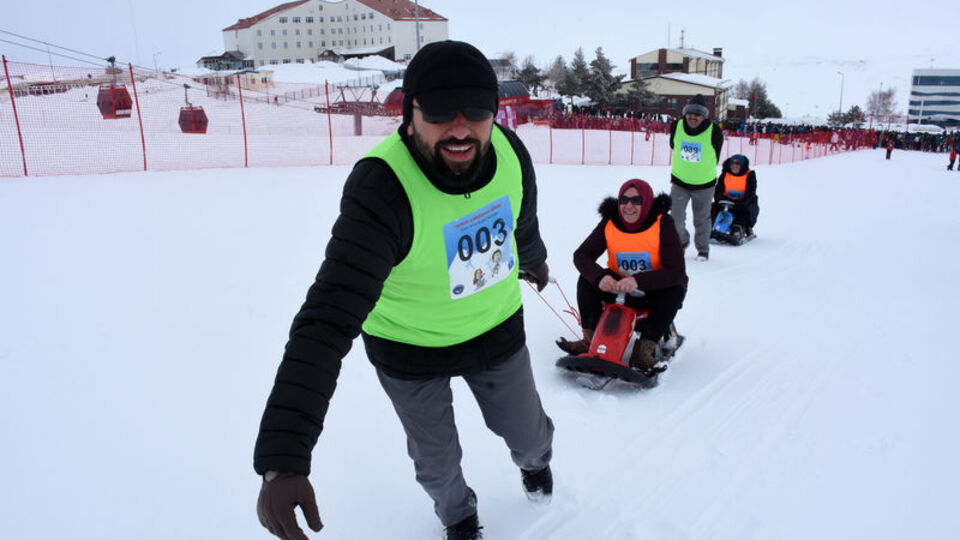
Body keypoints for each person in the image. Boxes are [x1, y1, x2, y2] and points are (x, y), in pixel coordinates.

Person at [253, 41, 555, 540]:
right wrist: (283, 458)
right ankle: (458, 517)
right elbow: (328, 318)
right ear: (409, 114)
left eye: (476, 111)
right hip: (410, 348)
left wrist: (534, 258)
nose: (461, 128)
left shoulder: (510, 151)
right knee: (436, 460)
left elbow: (521, 219)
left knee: (527, 431)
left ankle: (536, 463)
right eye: (439, 111)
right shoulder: (382, 189)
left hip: (494, 325)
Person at [556, 179, 687, 373]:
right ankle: (590, 339)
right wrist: (600, 277)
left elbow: (675, 270)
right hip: (617, 286)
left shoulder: (662, 223)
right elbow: (581, 255)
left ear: (646, 202)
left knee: (675, 287)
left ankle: (644, 349)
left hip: (651, 291)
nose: (629, 206)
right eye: (624, 200)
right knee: (587, 279)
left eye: (636, 200)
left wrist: (638, 281)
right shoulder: (611, 222)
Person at [669, 94, 724, 262]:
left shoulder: (714, 131)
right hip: (680, 182)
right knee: (675, 218)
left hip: (704, 185)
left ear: (704, 116)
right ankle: (682, 241)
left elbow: (716, 153)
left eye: (697, 114)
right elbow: (673, 145)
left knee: (701, 219)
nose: (693, 117)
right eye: (690, 113)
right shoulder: (676, 126)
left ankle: (703, 250)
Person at [712, 154, 760, 236]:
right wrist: (720, 199)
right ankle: (711, 226)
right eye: (732, 163)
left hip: (742, 204)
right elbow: (718, 190)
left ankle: (740, 227)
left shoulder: (749, 175)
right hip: (725, 203)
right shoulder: (725, 174)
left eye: (737, 164)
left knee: (749, 207)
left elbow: (751, 192)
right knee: (712, 208)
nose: (735, 166)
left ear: (742, 165)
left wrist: (740, 203)